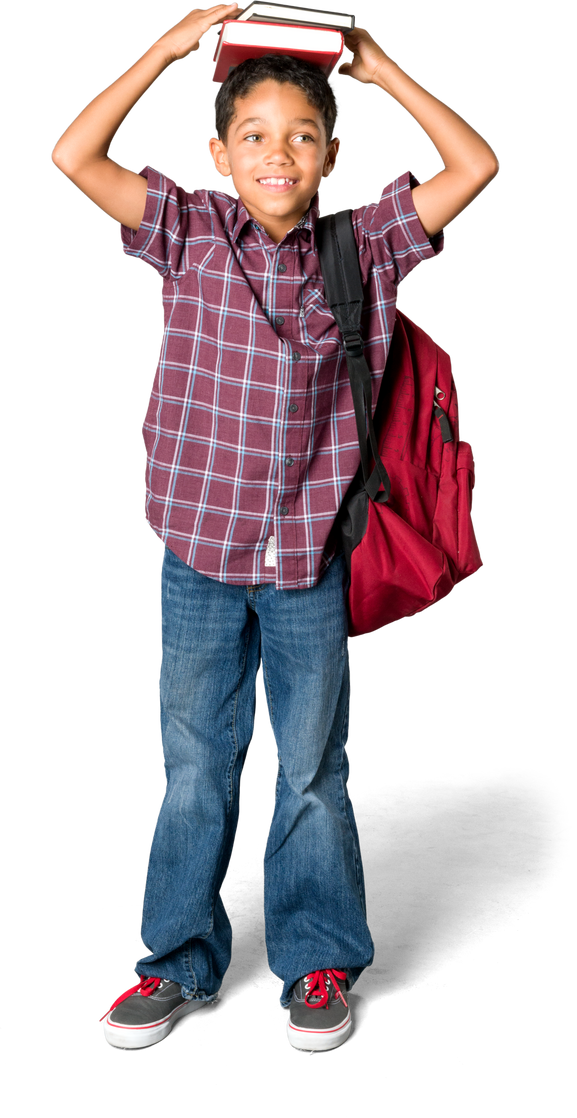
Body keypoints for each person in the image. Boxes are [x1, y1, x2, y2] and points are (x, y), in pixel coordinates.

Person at [49, 2, 498, 1051]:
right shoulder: (187, 228)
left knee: (307, 769)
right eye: (251, 135)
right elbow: (73, 150)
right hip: (200, 558)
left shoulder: (366, 245)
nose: (277, 153)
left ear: (328, 154)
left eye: (300, 135)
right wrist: (162, 54)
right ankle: (174, 964)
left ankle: (316, 964)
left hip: (306, 564)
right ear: (217, 154)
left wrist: (378, 68)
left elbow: (471, 162)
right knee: (196, 764)